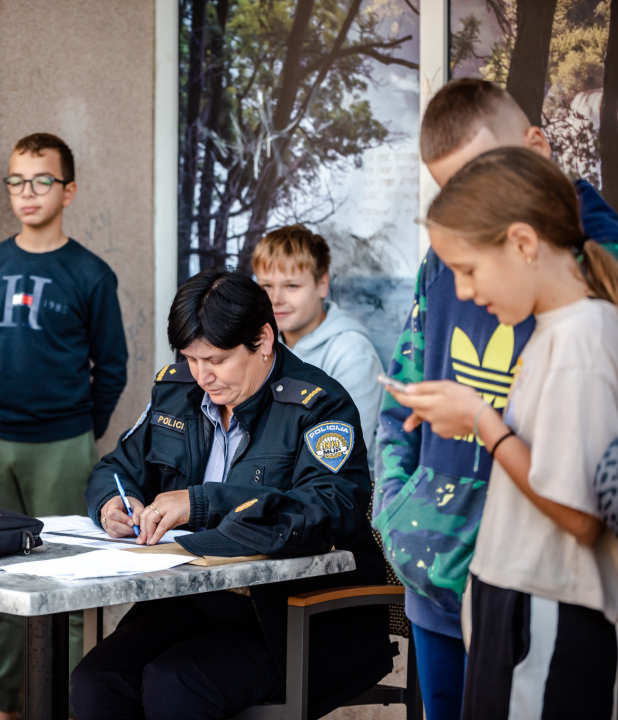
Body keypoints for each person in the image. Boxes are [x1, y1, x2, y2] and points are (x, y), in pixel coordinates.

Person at [372, 77, 618, 720]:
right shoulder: (460, 260)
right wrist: (398, 513)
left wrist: (482, 424)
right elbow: (402, 401)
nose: (466, 286)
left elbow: (583, 501)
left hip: (546, 596)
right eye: (454, 189)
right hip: (455, 578)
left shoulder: (584, 309)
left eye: (484, 176)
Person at [71, 268, 393, 720]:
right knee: (95, 680)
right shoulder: (175, 391)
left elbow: (330, 509)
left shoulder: (319, 404)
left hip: (293, 615)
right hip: (192, 600)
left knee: (177, 683)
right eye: (191, 358)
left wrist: (202, 502)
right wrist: (113, 505)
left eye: (218, 360)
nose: (203, 375)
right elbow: (117, 469)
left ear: (263, 340)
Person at [0, 133, 128, 720]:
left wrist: (85, 431)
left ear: (69, 190)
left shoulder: (90, 273)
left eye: (41, 181)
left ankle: (70, 707)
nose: (27, 193)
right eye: (16, 181)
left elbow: (111, 366)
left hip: (63, 444)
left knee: (69, 583)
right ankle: (3, 707)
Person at [252, 225, 383, 462]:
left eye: (292, 286)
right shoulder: (257, 345)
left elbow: (345, 453)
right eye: (266, 286)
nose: (275, 299)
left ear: (322, 285)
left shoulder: (353, 355)